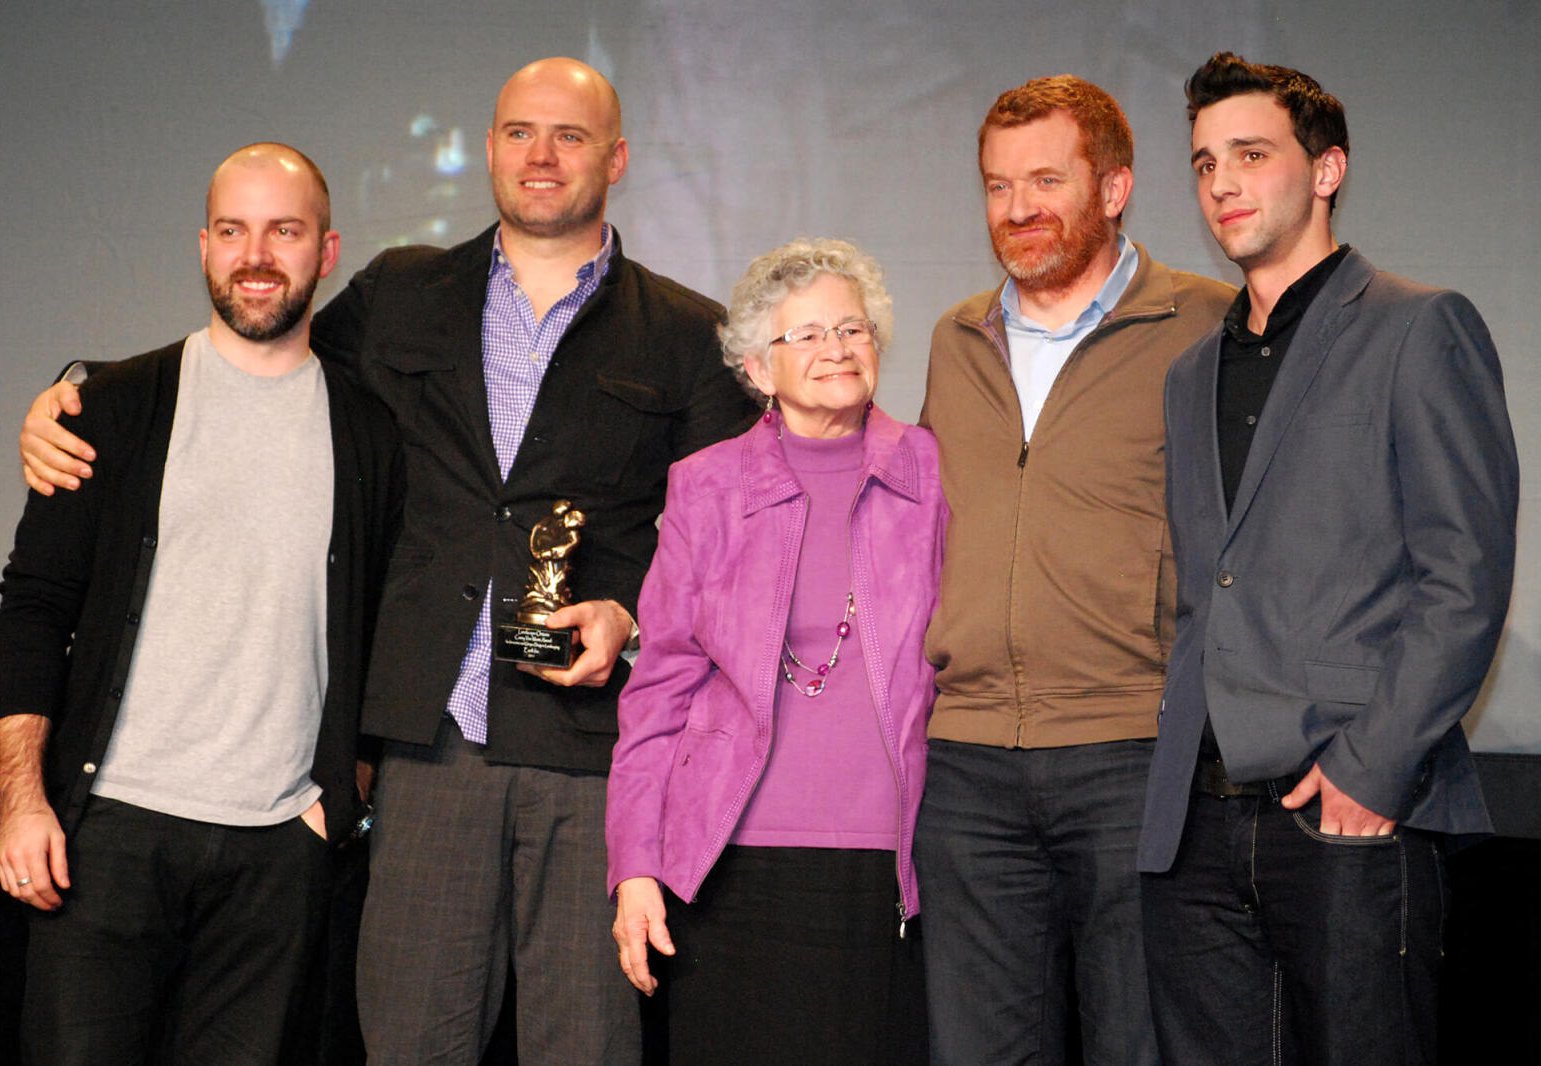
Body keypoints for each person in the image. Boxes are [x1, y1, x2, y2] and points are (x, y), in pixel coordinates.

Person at [14, 58, 756, 1065]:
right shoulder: (403, 291)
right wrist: (83, 392)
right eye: (519, 132)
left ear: (616, 158)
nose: (540, 155)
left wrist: (627, 611)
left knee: (585, 1046)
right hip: (424, 748)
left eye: (569, 136)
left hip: (590, 757)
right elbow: (260, 356)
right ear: (490, 149)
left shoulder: (689, 335)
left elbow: (734, 539)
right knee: (409, 1043)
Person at [1138, 53, 1519, 1066]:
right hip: (1194, 827)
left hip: (1344, 810)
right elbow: (1205, 590)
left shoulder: (1416, 325)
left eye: (1250, 154)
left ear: (1325, 169)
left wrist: (1371, 771)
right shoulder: (1189, 374)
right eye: (1204, 162)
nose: (1221, 182)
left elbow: (1465, 578)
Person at [0, 143, 402, 1065]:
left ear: (327, 251)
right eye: (232, 230)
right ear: (204, 246)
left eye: (284, 231)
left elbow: (388, 624)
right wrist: (23, 803)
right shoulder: (108, 408)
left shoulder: (371, 434)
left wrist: (339, 799)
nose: (256, 256)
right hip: (107, 838)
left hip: (279, 854)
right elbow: (33, 609)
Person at [914, 76, 1235, 1065]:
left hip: (1134, 752)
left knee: (1142, 1045)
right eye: (997, 184)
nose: (1017, 208)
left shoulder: (1209, 324)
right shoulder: (956, 337)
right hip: (964, 763)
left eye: (1046, 180)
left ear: (1114, 187)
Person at [606, 238, 945, 1065]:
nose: (838, 348)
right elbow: (657, 694)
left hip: (893, 868)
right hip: (730, 866)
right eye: (809, 334)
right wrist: (635, 866)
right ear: (758, 368)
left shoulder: (932, 470)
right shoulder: (705, 485)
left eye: (853, 328)